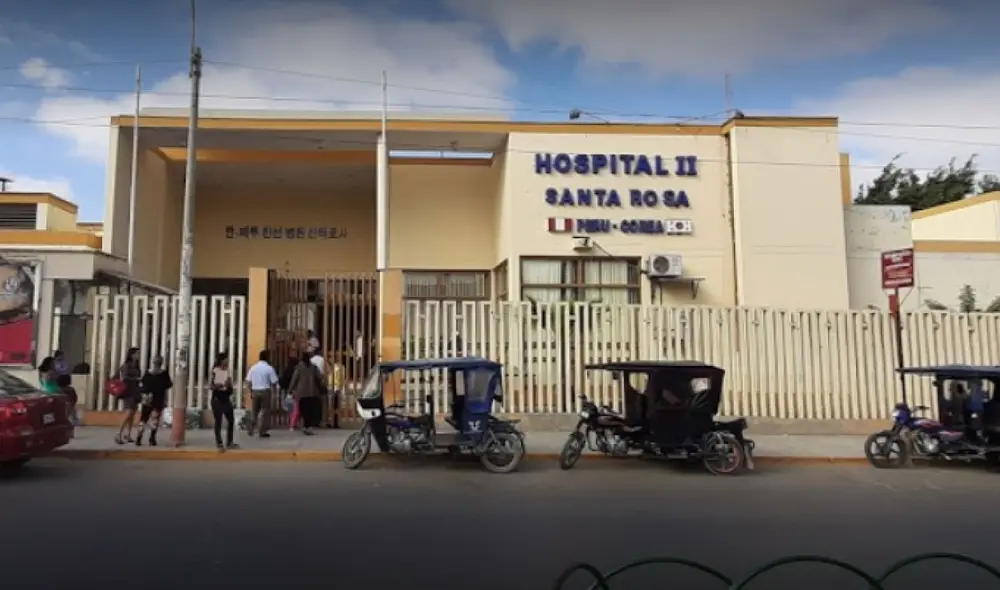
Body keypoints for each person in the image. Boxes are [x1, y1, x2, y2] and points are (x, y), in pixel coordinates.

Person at [136, 355, 171, 447]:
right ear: (161, 363)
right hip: (158, 399)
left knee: (143, 419)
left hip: (147, 399)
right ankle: (152, 439)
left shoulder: (148, 373)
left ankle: (138, 438)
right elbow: (167, 386)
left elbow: (142, 384)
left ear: (153, 362)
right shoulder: (163, 374)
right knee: (155, 419)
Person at [288, 351, 324, 436]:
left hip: (301, 393)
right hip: (312, 392)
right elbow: (320, 377)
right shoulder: (313, 367)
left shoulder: (299, 367)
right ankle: (308, 426)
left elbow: (294, 379)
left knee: (303, 410)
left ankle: (305, 426)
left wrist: (290, 390)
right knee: (309, 410)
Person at [244, 349, 278, 438]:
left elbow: (248, 381)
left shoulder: (253, 367)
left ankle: (251, 428)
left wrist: (251, 391)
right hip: (265, 391)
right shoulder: (269, 368)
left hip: (255, 391)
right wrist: (274, 394)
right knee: (264, 411)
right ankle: (262, 431)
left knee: (254, 411)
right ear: (267, 358)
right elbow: (274, 382)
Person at [210, 353, 239, 451]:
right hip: (217, 400)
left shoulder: (227, 371)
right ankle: (219, 443)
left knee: (231, 420)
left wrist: (229, 384)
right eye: (226, 359)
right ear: (221, 360)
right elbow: (211, 386)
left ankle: (229, 442)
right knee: (218, 422)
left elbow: (230, 388)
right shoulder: (215, 371)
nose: (227, 361)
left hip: (226, 399)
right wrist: (219, 385)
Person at [115, 347, 142, 445]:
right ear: (131, 355)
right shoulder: (126, 365)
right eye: (136, 353)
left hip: (135, 391)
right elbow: (125, 377)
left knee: (133, 413)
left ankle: (128, 434)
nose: (138, 355)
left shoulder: (136, 366)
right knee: (128, 411)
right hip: (128, 391)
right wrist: (136, 379)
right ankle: (119, 433)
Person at [279, 355, 299, 430]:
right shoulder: (296, 371)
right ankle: (293, 424)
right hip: (294, 391)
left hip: (286, 391)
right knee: (296, 409)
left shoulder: (286, 371)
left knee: (290, 409)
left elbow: (282, 381)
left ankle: (291, 421)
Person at [326, 352, 345, 429]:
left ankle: (334, 422)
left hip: (335, 387)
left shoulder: (338, 367)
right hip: (332, 387)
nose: (330, 359)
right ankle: (333, 422)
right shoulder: (331, 367)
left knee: (334, 406)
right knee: (333, 406)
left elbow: (341, 378)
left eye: (331, 357)